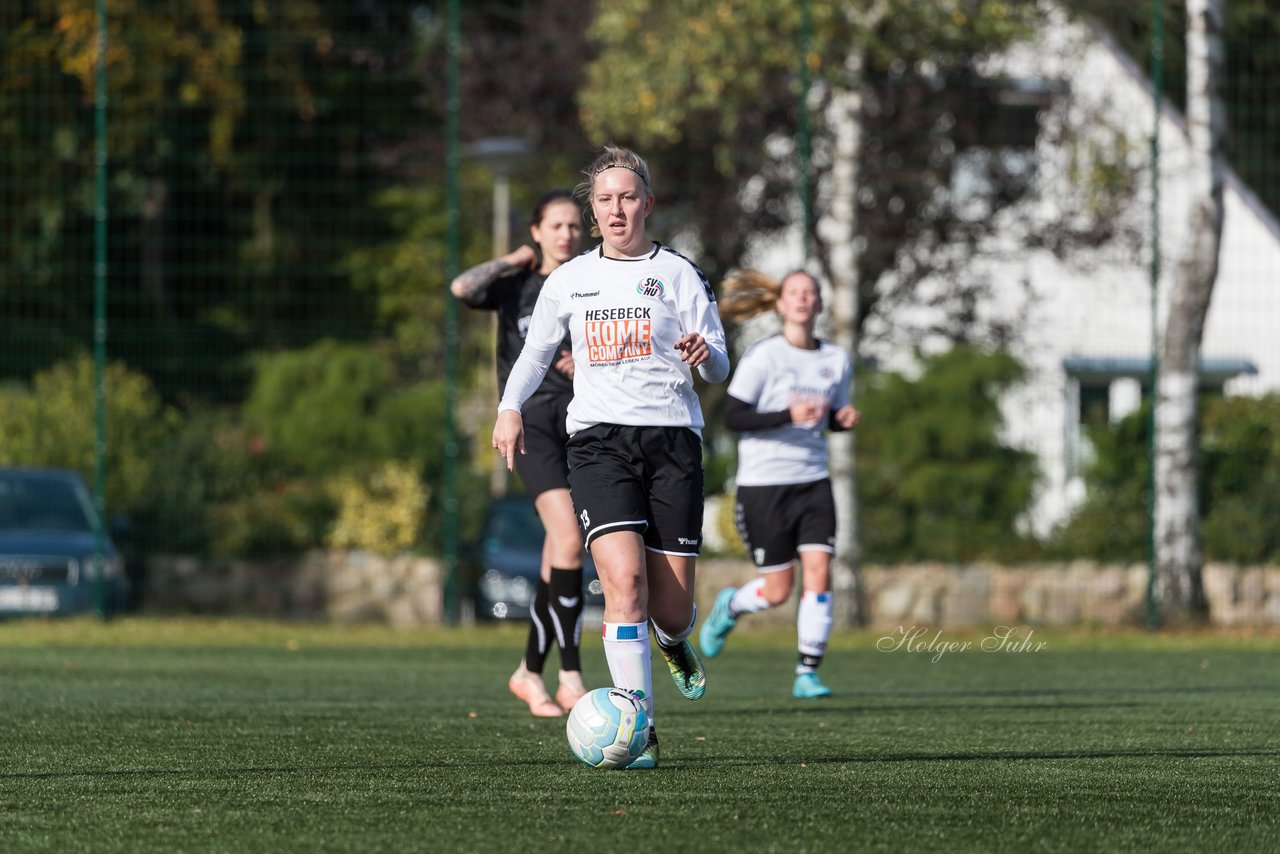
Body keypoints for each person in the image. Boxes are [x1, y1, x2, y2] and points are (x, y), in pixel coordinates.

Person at [492, 144, 729, 768]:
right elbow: (535, 355)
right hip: (597, 442)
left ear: (647, 204)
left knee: (671, 608)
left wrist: (708, 355)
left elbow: (722, 361)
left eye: (628, 197)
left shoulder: (679, 273)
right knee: (623, 586)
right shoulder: (569, 280)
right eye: (605, 200)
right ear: (592, 211)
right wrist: (508, 408)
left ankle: (675, 641)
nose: (617, 209)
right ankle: (640, 730)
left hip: (673, 440)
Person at [451, 189, 588, 718]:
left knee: (564, 551)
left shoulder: (589, 284)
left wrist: (588, 363)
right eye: (556, 225)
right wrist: (512, 259)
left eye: (575, 225)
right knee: (569, 539)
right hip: (531, 425)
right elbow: (461, 287)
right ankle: (570, 674)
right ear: (536, 231)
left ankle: (530, 671)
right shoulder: (515, 286)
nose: (566, 234)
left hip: (582, 423)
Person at [698, 268, 860, 699]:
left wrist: (840, 421)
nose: (804, 299)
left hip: (813, 481)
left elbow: (830, 417)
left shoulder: (835, 360)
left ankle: (807, 671)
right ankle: (730, 606)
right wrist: (789, 415)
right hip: (764, 485)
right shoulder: (764, 357)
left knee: (820, 572)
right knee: (777, 590)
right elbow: (733, 417)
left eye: (812, 293)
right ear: (781, 304)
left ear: (820, 304)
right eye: (796, 293)